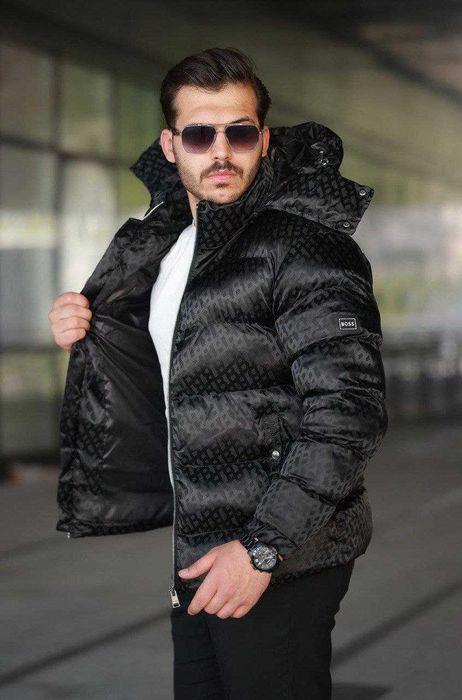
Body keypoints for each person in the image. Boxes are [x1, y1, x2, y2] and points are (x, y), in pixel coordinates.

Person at [49, 47, 388, 700]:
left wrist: (261, 549)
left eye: (240, 132)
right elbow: (179, 377)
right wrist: (90, 334)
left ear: (264, 139)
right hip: (198, 546)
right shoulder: (170, 246)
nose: (222, 152)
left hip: (279, 554)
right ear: (170, 145)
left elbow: (348, 413)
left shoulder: (306, 247)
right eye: (200, 134)